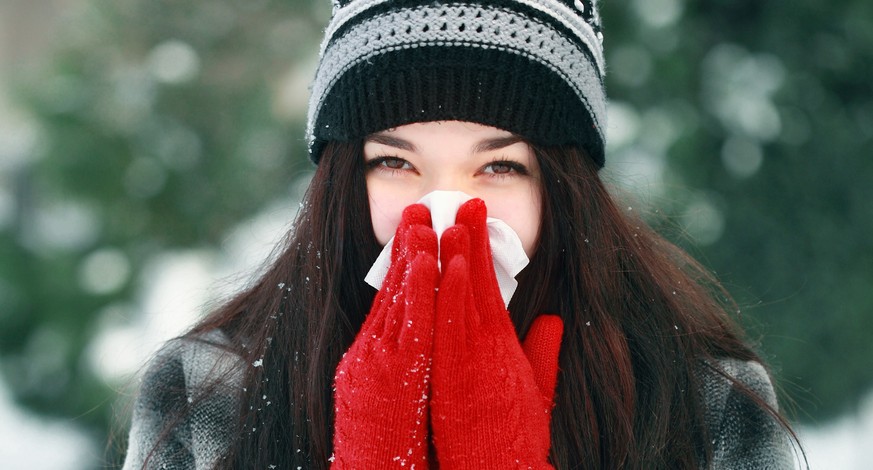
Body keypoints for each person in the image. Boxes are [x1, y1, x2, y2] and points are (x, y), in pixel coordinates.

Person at [122, 0, 802, 468]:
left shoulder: (705, 403)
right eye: (394, 161)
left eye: (499, 166)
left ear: (562, 188)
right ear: (338, 182)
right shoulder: (207, 392)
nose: (446, 209)